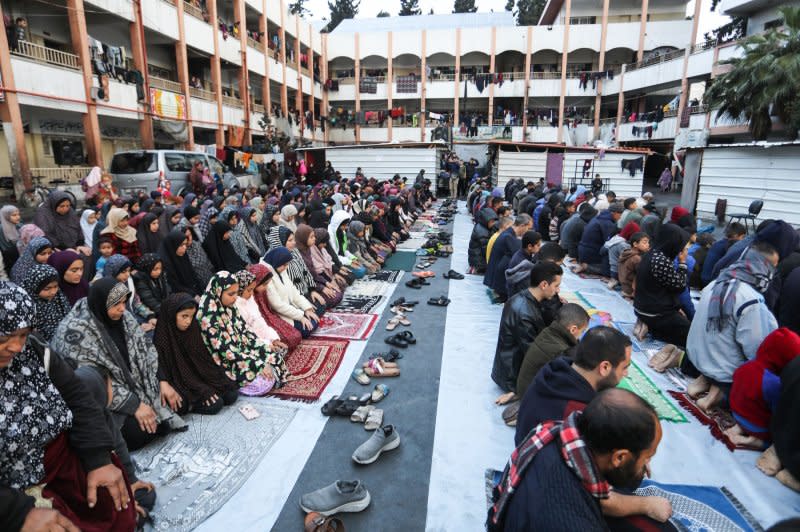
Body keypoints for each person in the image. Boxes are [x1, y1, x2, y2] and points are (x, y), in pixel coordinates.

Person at [0, 281, 137, 532]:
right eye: (6, 337)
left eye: (23, 335)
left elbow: (77, 397)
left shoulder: (34, 351)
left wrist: (98, 459)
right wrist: (17, 514)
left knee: (117, 511)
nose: (17, 347)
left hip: (68, 459)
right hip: (17, 490)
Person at [491, 389, 666, 532]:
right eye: (647, 457)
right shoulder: (573, 521)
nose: (646, 465)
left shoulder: (553, 431)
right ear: (620, 457)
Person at [51, 278, 187, 451]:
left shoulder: (124, 316)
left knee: (178, 402)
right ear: (101, 303)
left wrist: (162, 381)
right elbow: (94, 381)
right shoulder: (75, 332)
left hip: (139, 385)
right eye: (116, 305)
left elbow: (145, 349)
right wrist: (134, 405)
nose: (122, 309)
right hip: (105, 400)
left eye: (124, 302)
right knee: (139, 433)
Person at [684, 242, 779, 412]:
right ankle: (718, 393)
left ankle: (705, 381)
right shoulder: (751, 299)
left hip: (698, 360)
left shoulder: (715, 283)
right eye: (772, 267)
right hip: (724, 371)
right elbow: (756, 349)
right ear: (762, 267)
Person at [516, 326, 632, 444]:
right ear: (604, 367)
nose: (626, 374)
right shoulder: (578, 414)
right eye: (624, 367)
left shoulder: (554, 370)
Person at [197, 271, 289, 395]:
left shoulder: (230, 306)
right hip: (228, 361)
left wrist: (263, 347)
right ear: (218, 291)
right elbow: (226, 352)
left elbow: (246, 332)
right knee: (264, 383)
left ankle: (266, 369)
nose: (235, 297)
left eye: (236, 293)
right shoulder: (207, 317)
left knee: (274, 356)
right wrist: (257, 365)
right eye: (231, 294)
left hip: (242, 350)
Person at [153, 293, 239, 415]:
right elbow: (169, 370)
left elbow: (203, 361)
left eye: (191, 316)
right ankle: (192, 405)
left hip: (198, 377)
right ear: (171, 314)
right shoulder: (162, 337)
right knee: (214, 405)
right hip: (179, 382)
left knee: (231, 394)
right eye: (184, 316)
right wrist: (202, 390)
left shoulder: (192, 328)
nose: (188, 321)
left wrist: (213, 382)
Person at [492, 262, 563, 403]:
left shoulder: (526, 297)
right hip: (512, 376)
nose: (558, 290)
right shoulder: (524, 313)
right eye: (556, 286)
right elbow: (534, 354)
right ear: (543, 285)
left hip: (510, 365)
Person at [726, 328, 800, 448]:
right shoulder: (774, 383)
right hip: (758, 428)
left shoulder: (747, 365)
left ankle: (740, 427)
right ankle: (756, 441)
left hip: (736, 413)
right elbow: (779, 416)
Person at [633, 224, 692, 347]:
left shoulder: (652, 253)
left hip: (642, 307)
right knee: (691, 335)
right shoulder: (660, 260)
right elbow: (680, 286)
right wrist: (682, 263)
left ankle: (653, 328)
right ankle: (654, 329)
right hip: (653, 312)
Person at [516, 303, 590, 400]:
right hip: (532, 398)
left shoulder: (548, 331)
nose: (582, 334)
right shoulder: (562, 351)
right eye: (583, 331)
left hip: (524, 388)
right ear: (573, 329)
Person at [263, 247, 321, 337]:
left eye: (287, 265)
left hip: (292, 307)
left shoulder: (280, 268)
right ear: (277, 262)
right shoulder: (266, 275)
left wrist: (306, 308)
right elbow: (277, 305)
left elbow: (294, 291)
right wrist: (300, 316)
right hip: (280, 313)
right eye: (284, 265)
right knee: (307, 328)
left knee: (316, 311)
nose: (286, 268)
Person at [247, 263, 304, 351]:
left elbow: (268, 310)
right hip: (259, 325)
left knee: (296, 335)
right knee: (291, 338)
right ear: (256, 282)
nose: (266, 287)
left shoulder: (262, 291)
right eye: (264, 284)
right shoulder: (248, 296)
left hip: (269, 317)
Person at [19, 263, 72, 342]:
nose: (53, 292)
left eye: (56, 286)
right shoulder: (26, 305)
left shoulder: (58, 297)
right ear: (34, 286)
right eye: (47, 288)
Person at [485, 215, 533, 302]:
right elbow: (520, 257)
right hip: (498, 280)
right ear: (522, 226)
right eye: (528, 228)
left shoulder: (508, 233)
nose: (528, 231)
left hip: (495, 274)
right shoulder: (508, 237)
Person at [295, 224, 343, 307]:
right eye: (311, 237)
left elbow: (314, 274)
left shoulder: (307, 250)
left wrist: (326, 283)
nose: (314, 239)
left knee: (338, 291)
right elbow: (304, 280)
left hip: (314, 283)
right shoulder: (298, 255)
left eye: (314, 236)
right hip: (305, 289)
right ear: (303, 238)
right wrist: (321, 288)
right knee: (334, 298)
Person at [575, 203, 623, 276]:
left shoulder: (599, 218)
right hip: (590, 253)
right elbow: (608, 243)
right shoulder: (607, 223)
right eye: (620, 214)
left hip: (584, 250)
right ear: (614, 213)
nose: (620, 217)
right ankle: (587, 267)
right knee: (611, 270)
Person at [701, 222, 747, 286]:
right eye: (743, 237)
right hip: (711, 281)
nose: (743, 239)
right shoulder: (730, 246)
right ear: (736, 235)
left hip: (704, 277)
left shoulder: (718, 243)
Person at [504, 231, 543, 298]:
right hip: (516, 296)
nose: (540, 248)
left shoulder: (526, 253)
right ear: (530, 246)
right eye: (538, 245)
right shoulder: (521, 261)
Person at [132, 253, 171, 318]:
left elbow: (168, 291)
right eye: (155, 269)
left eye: (160, 268)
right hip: (151, 312)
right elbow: (149, 300)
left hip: (161, 308)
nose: (159, 272)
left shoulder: (160, 277)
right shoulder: (140, 280)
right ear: (147, 268)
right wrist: (165, 311)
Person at [617, 232, 650, 299]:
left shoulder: (627, 252)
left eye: (648, 242)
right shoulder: (636, 258)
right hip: (631, 290)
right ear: (635, 244)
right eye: (645, 242)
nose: (648, 245)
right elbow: (643, 275)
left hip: (624, 287)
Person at [468, 208, 499, 274]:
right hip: (478, 261)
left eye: (494, 221)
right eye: (491, 221)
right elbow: (487, 250)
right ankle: (476, 269)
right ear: (485, 220)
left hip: (478, 256)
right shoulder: (481, 231)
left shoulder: (485, 226)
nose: (493, 223)